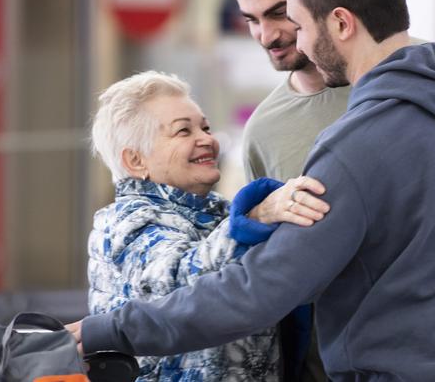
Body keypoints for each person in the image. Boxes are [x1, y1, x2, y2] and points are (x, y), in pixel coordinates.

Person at [68, 0, 435, 381]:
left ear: (342, 23)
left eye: (297, 22)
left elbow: (258, 292)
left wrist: (105, 331)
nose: (286, 41)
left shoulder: (358, 145)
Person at [86, 70, 329, 381]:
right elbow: (182, 279)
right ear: (136, 161)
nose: (207, 140)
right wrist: (254, 219)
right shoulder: (124, 223)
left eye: (205, 126)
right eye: (183, 131)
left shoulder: (220, 215)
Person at [227, 0, 347, 382]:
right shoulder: (263, 131)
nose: (266, 35)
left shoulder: (404, 83)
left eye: (278, 12)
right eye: (251, 19)